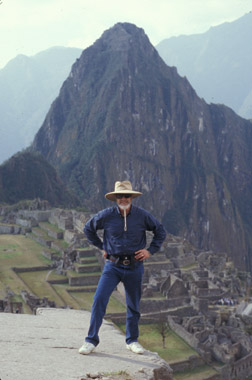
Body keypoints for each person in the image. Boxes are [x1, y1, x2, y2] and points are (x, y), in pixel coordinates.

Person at [79, 180, 166, 355]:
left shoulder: (142, 216)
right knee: (99, 300)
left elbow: (160, 230)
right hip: (113, 266)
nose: (123, 199)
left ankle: (132, 340)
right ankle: (91, 340)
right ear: (115, 198)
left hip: (135, 266)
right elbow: (88, 229)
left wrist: (150, 251)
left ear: (131, 197)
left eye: (126, 196)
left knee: (133, 304)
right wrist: (101, 246)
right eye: (120, 196)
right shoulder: (106, 215)